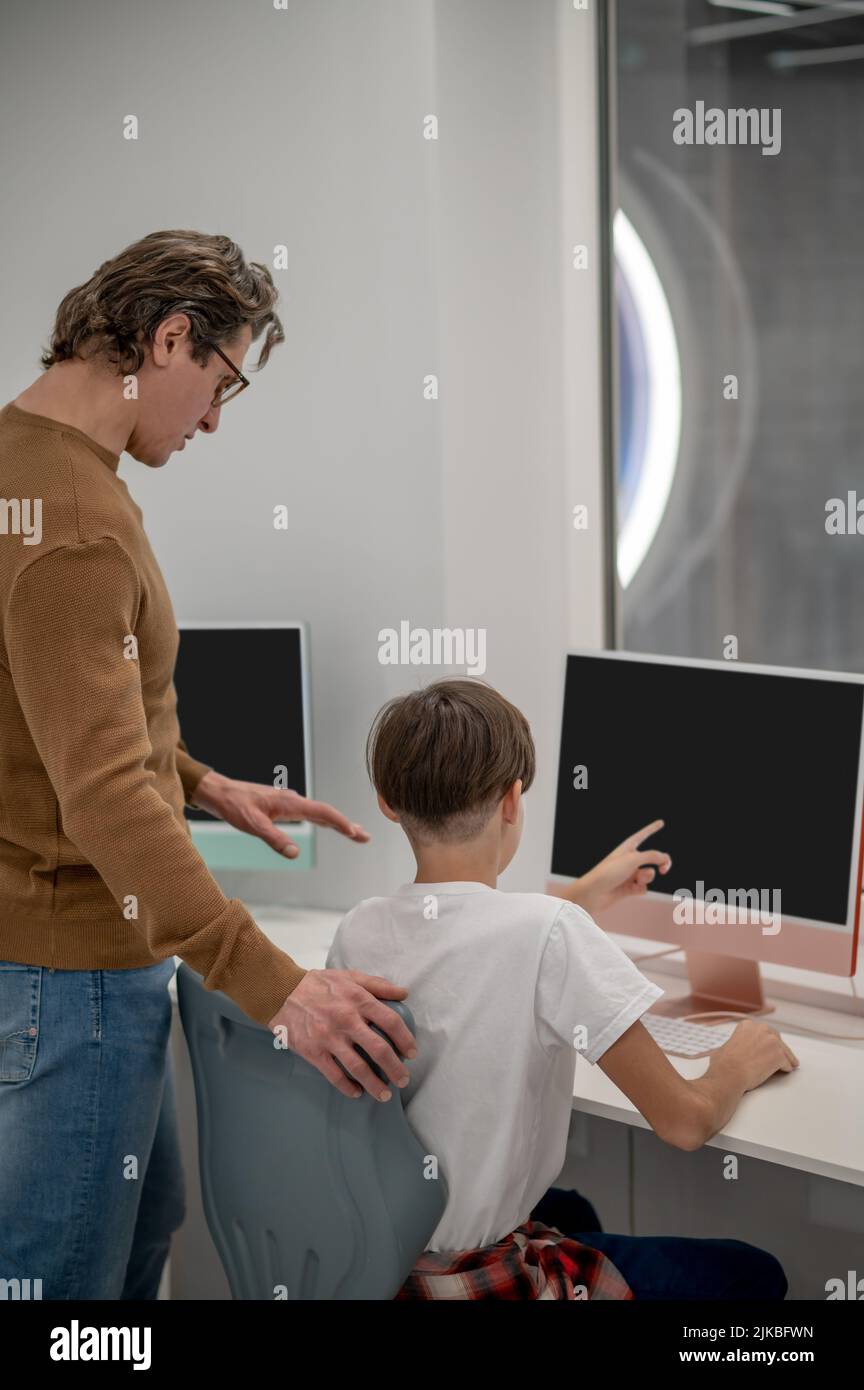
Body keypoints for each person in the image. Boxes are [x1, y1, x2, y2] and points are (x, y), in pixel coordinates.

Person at [325, 677, 796, 1301]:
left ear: (387, 802)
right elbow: (684, 1123)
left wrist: (578, 900)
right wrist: (735, 1063)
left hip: (387, 1265)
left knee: (572, 1208)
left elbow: (467, 943)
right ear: (512, 799)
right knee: (753, 1272)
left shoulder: (360, 928)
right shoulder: (548, 933)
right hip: (481, 1278)